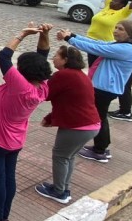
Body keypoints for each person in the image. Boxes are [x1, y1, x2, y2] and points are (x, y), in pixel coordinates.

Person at [0, 24, 53, 221]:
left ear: (23, 72)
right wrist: (44, 35)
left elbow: (4, 57)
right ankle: (2, 215)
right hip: (15, 140)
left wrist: (22, 35)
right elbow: (43, 55)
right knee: (8, 177)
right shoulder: (42, 87)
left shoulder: (21, 87)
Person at [57, 22, 132, 163]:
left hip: (104, 89)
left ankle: (100, 150)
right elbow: (97, 42)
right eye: (116, 27)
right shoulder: (122, 46)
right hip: (104, 87)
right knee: (100, 117)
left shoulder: (127, 49)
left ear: (130, 33)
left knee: (98, 118)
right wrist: (73, 35)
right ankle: (101, 146)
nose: (115, 31)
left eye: (121, 29)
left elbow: (96, 48)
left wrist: (69, 39)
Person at [35, 44, 100, 204]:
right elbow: (69, 102)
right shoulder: (79, 75)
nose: (54, 57)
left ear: (65, 60)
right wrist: (51, 117)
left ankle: (59, 192)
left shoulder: (64, 75)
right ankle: (64, 188)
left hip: (77, 126)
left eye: (57, 55)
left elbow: (45, 94)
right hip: (91, 125)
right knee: (68, 157)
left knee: (61, 156)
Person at [85, 0, 132, 65]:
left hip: (105, 44)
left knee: (99, 66)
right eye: (113, 0)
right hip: (91, 40)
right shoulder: (107, 7)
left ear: (122, 5)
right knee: (92, 65)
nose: (112, 2)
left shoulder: (123, 13)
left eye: (115, 1)